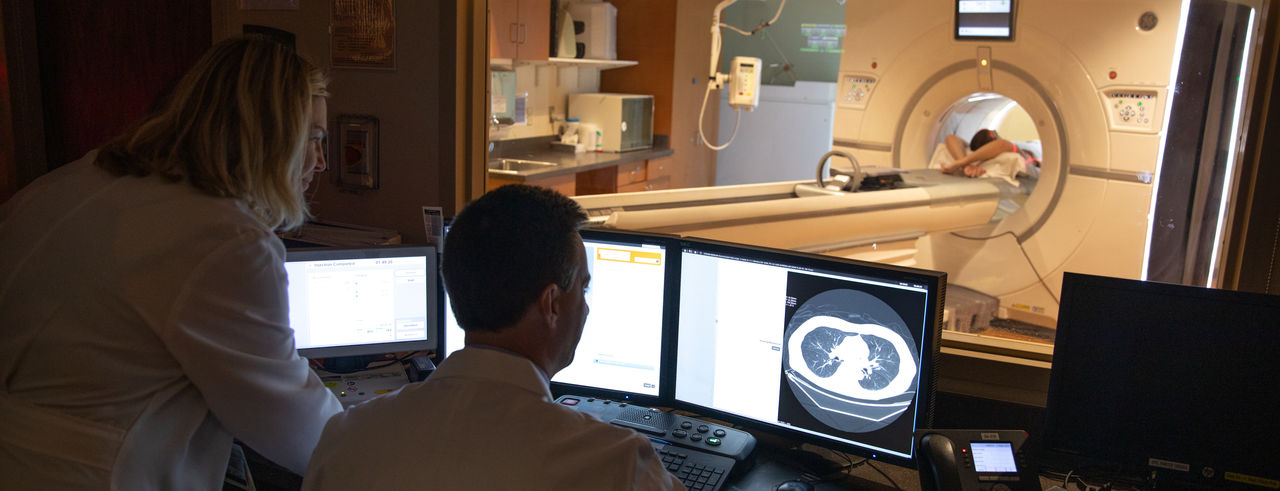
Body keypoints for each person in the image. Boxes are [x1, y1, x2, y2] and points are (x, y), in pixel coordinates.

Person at [0, 38, 342, 489]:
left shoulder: (66, 183)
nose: (321, 162)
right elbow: (298, 426)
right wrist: (395, 439)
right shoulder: (224, 240)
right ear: (272, 135)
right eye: (314, 139)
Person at [302, 185, 683, 490]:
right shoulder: (617, 464)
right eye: (582, 289)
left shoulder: (345, 438)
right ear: (551, 304)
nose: (585, 308)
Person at [941, 128, 1040, 178]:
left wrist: (964, 164)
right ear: (994, 137)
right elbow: (1002, 144)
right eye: (995, 133)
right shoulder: (1012, 149)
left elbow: (950, 137)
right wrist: (963, 164)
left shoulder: (976, 153)